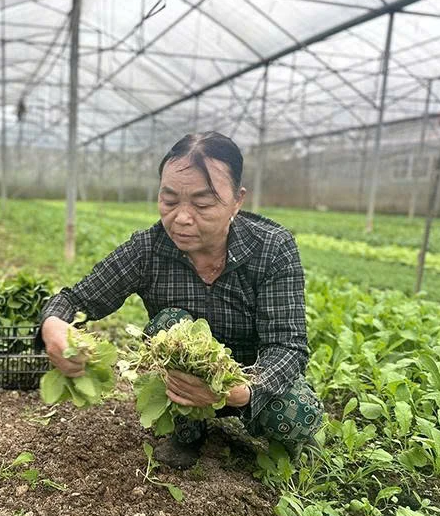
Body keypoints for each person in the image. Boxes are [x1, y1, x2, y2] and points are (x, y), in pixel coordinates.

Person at [40, 131, 323, 468]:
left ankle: (257, 433)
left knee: (299, 415)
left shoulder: (272, 249)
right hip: (181, 385)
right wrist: (53, 327)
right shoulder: (148, 249)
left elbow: (288, 347)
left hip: (247, 379)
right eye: (169, 201)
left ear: (237, 200)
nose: (182, 218)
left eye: (203, 204)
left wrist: (233, 391)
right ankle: (188, 430)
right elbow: (75, 298)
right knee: (171, 323)